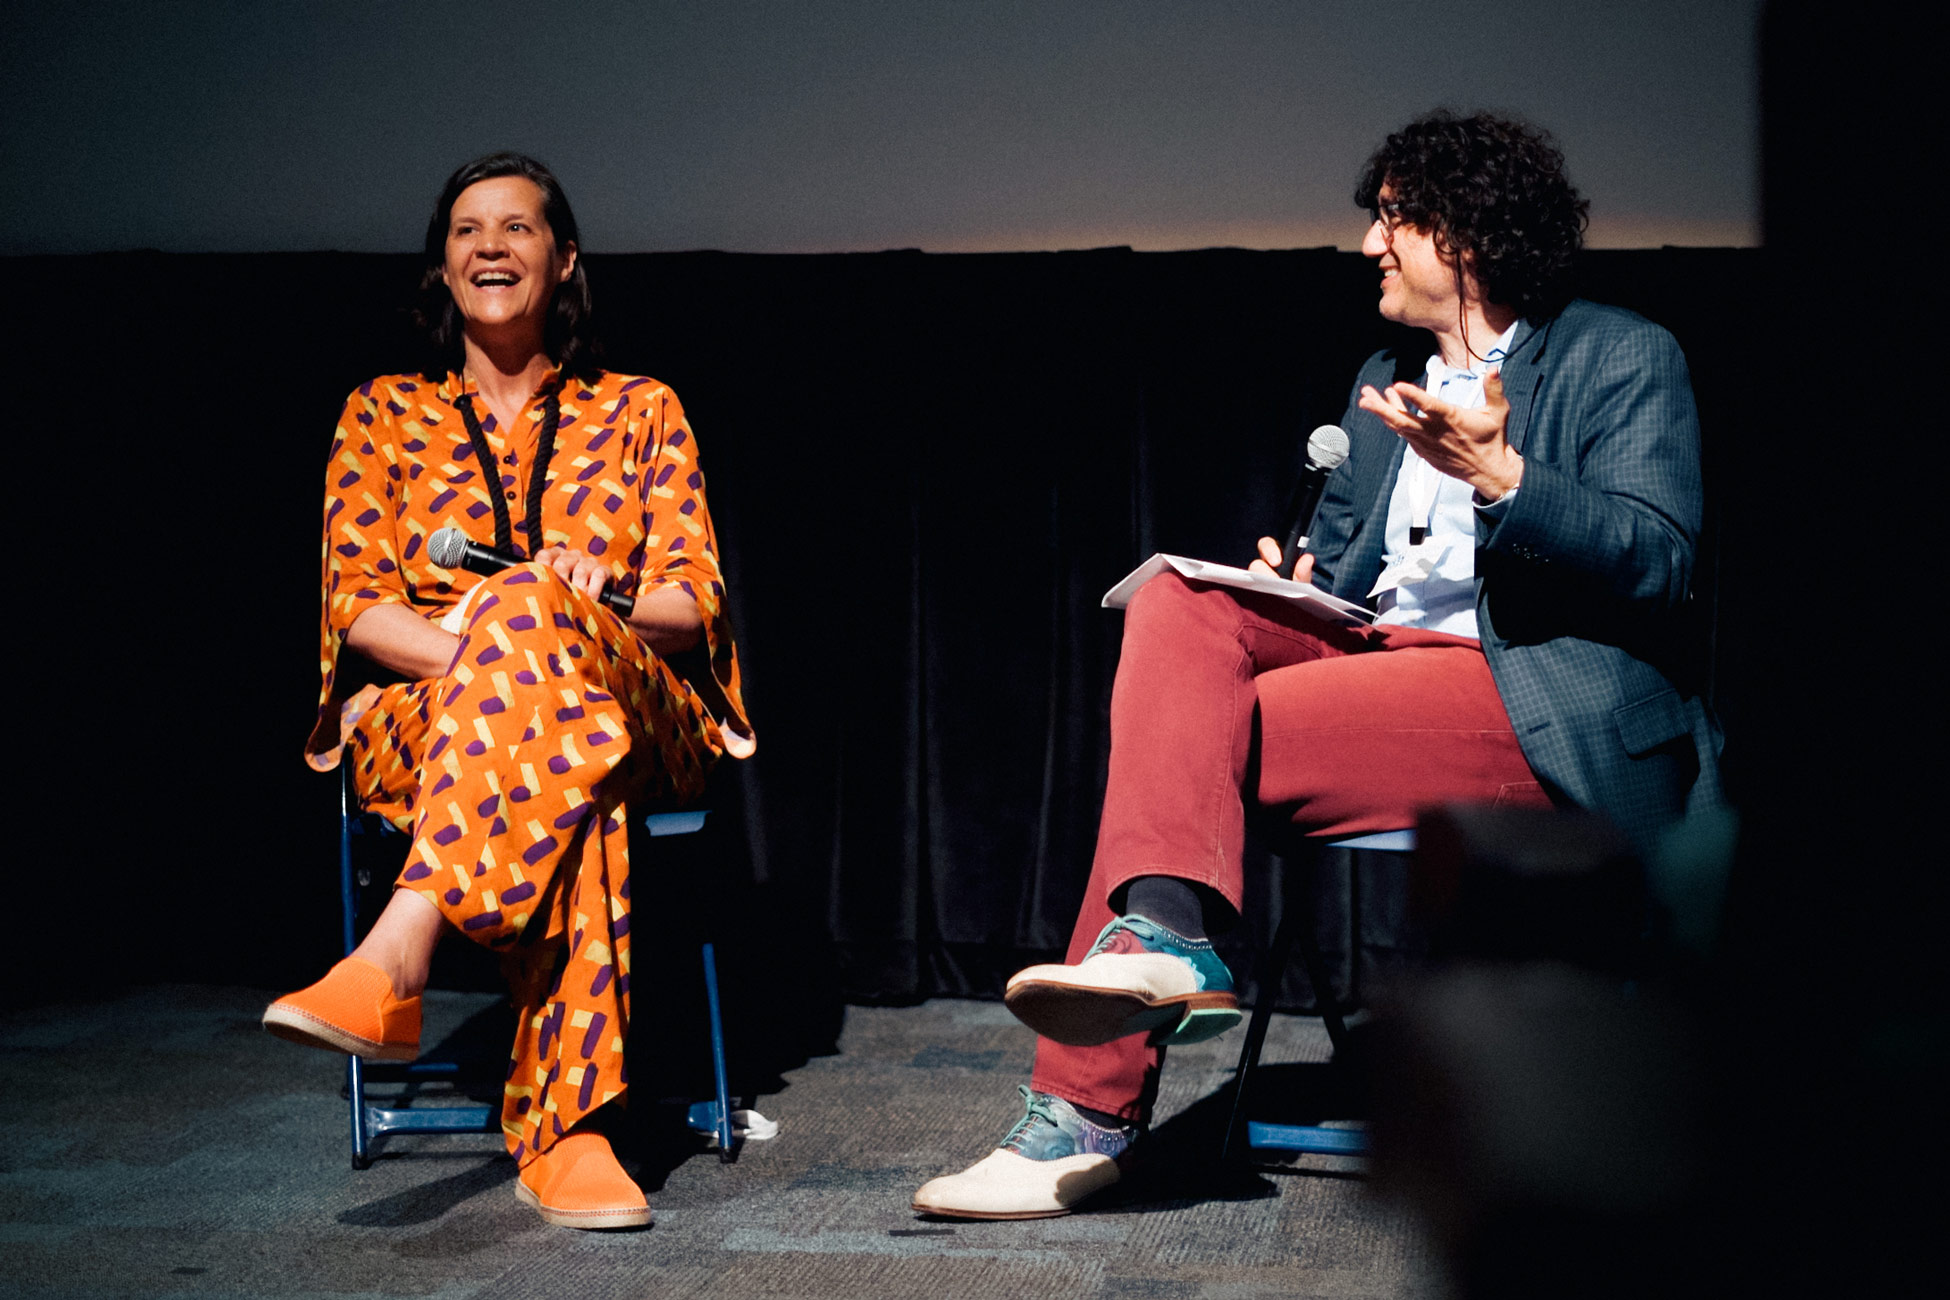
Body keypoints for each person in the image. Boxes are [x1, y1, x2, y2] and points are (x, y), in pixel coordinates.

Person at [913, 110, 1720, 1219]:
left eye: (1394, 218)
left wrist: (1508, 480)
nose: (1369, 244)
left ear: (1468, 230)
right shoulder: (1381, 380)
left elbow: (1661, 561)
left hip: (1536, 693)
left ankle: (1084, 1115)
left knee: (1189, 743)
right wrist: (1293, 579)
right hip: (1382, 664)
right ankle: (1166, 941)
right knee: (1183, 604)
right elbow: (1355, 575)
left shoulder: (1622, 354)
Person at [263, 152, 754, 1230]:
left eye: (518, 228)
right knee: (563, 731)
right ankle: (566, 1132)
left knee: (544, 634)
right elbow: (362, 612)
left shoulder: (641, 411)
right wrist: (510, 650)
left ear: (563, 258)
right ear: (441, 268)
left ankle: (398, 950)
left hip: (636, 695)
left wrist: (592, 603)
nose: (491, 246)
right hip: (424, 712)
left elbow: (694, 606)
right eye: (467, 231)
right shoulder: (380, 414)